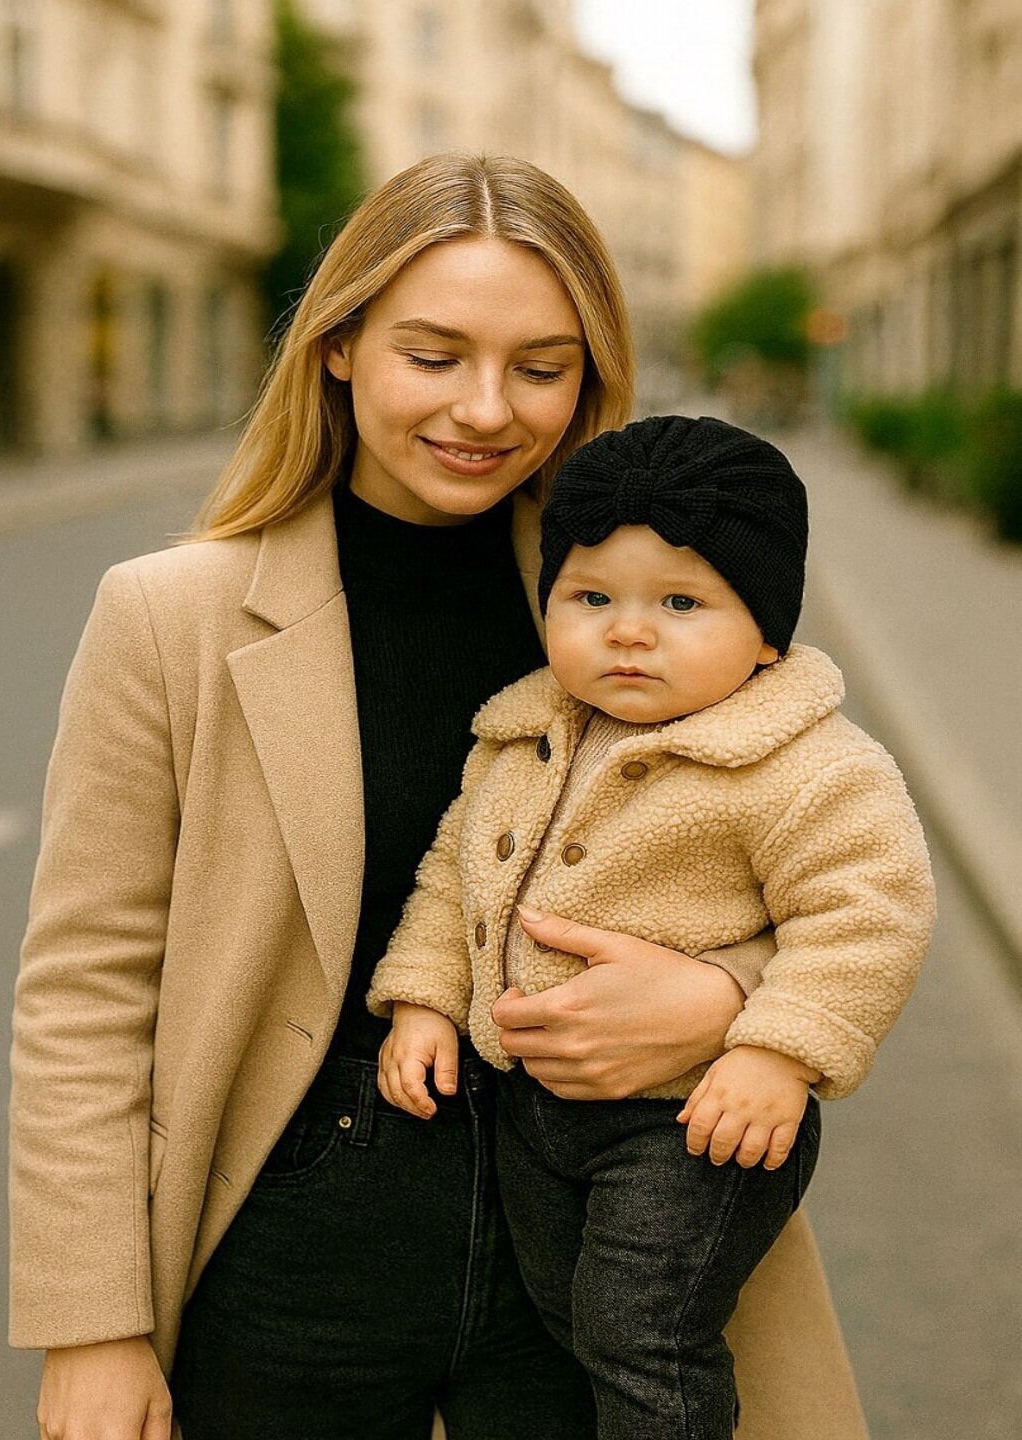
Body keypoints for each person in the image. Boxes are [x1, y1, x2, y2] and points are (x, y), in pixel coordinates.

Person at [10, 155, 871, 1440]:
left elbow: (826, 849)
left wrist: (730, 999)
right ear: (343, 345)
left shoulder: (637, 602)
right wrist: (92, 1324)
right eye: (434, 354)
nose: (486, 409)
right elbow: (88, 988)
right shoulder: (169, 617)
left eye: (540, 366)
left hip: (596, 1232)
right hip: (294, 1241)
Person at [369, 414, 936, 1438]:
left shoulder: (805, 765)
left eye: (681, 603)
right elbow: (453, 881)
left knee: (643, 1330)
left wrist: (777, 1053)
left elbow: (867, 912)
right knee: (566, 1320)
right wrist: (421, 1000)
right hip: (534, 1114)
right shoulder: (520, 734)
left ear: (765, 633)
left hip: (692, 1121)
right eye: (592, 599)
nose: (629, 631)